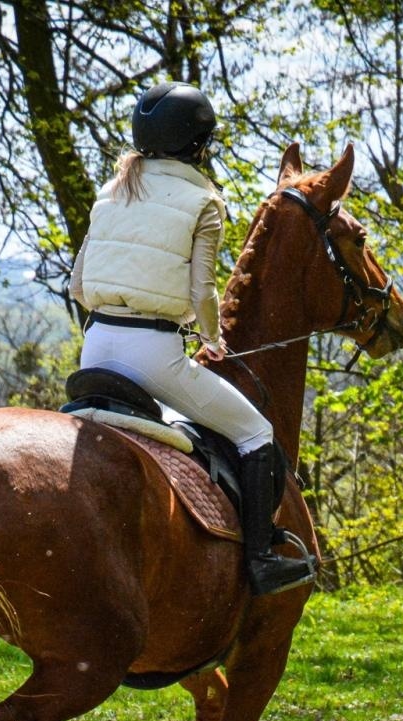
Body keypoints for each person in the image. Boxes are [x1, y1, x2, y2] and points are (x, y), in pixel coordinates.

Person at [71, 81, 315, 596]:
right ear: (198, 144)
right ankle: (261, 559)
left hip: (94, 348)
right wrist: (212, 336)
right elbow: (203, 288)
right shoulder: (204, 199)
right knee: (255, 434)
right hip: (155, 355)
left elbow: (77, 284)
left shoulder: (111, 192)